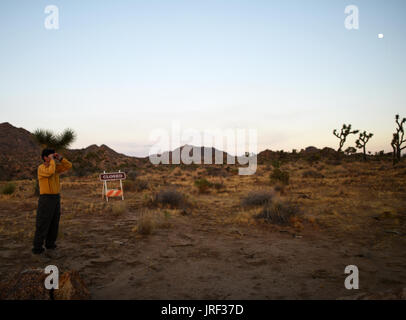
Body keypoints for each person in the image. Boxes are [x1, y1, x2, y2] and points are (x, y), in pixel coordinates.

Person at [32, 148, 72, 258]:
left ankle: (50, 245)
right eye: (51, 155)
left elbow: (69, 166)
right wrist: (53, 161)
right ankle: (37, 248)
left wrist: (60, 158)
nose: (53, 157)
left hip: (55, 198)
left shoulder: (55, 167)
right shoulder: (41, 168)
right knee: (43, 223)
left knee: (54, 222)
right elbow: (49, 172)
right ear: (45, 157)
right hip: (46, 198)